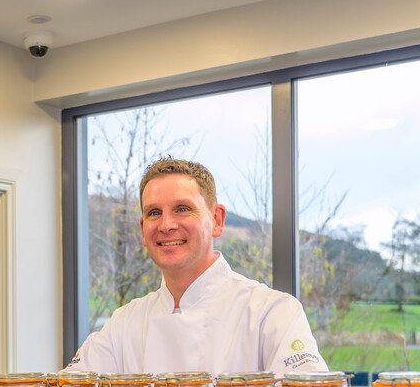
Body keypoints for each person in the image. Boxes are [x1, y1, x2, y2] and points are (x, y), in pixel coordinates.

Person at [67, 158, 328, 375]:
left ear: (216, 219)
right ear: (142, 227)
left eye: (182, 209)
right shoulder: (124, 323)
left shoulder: (272, 313)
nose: (166, 224)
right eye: (154, 212)